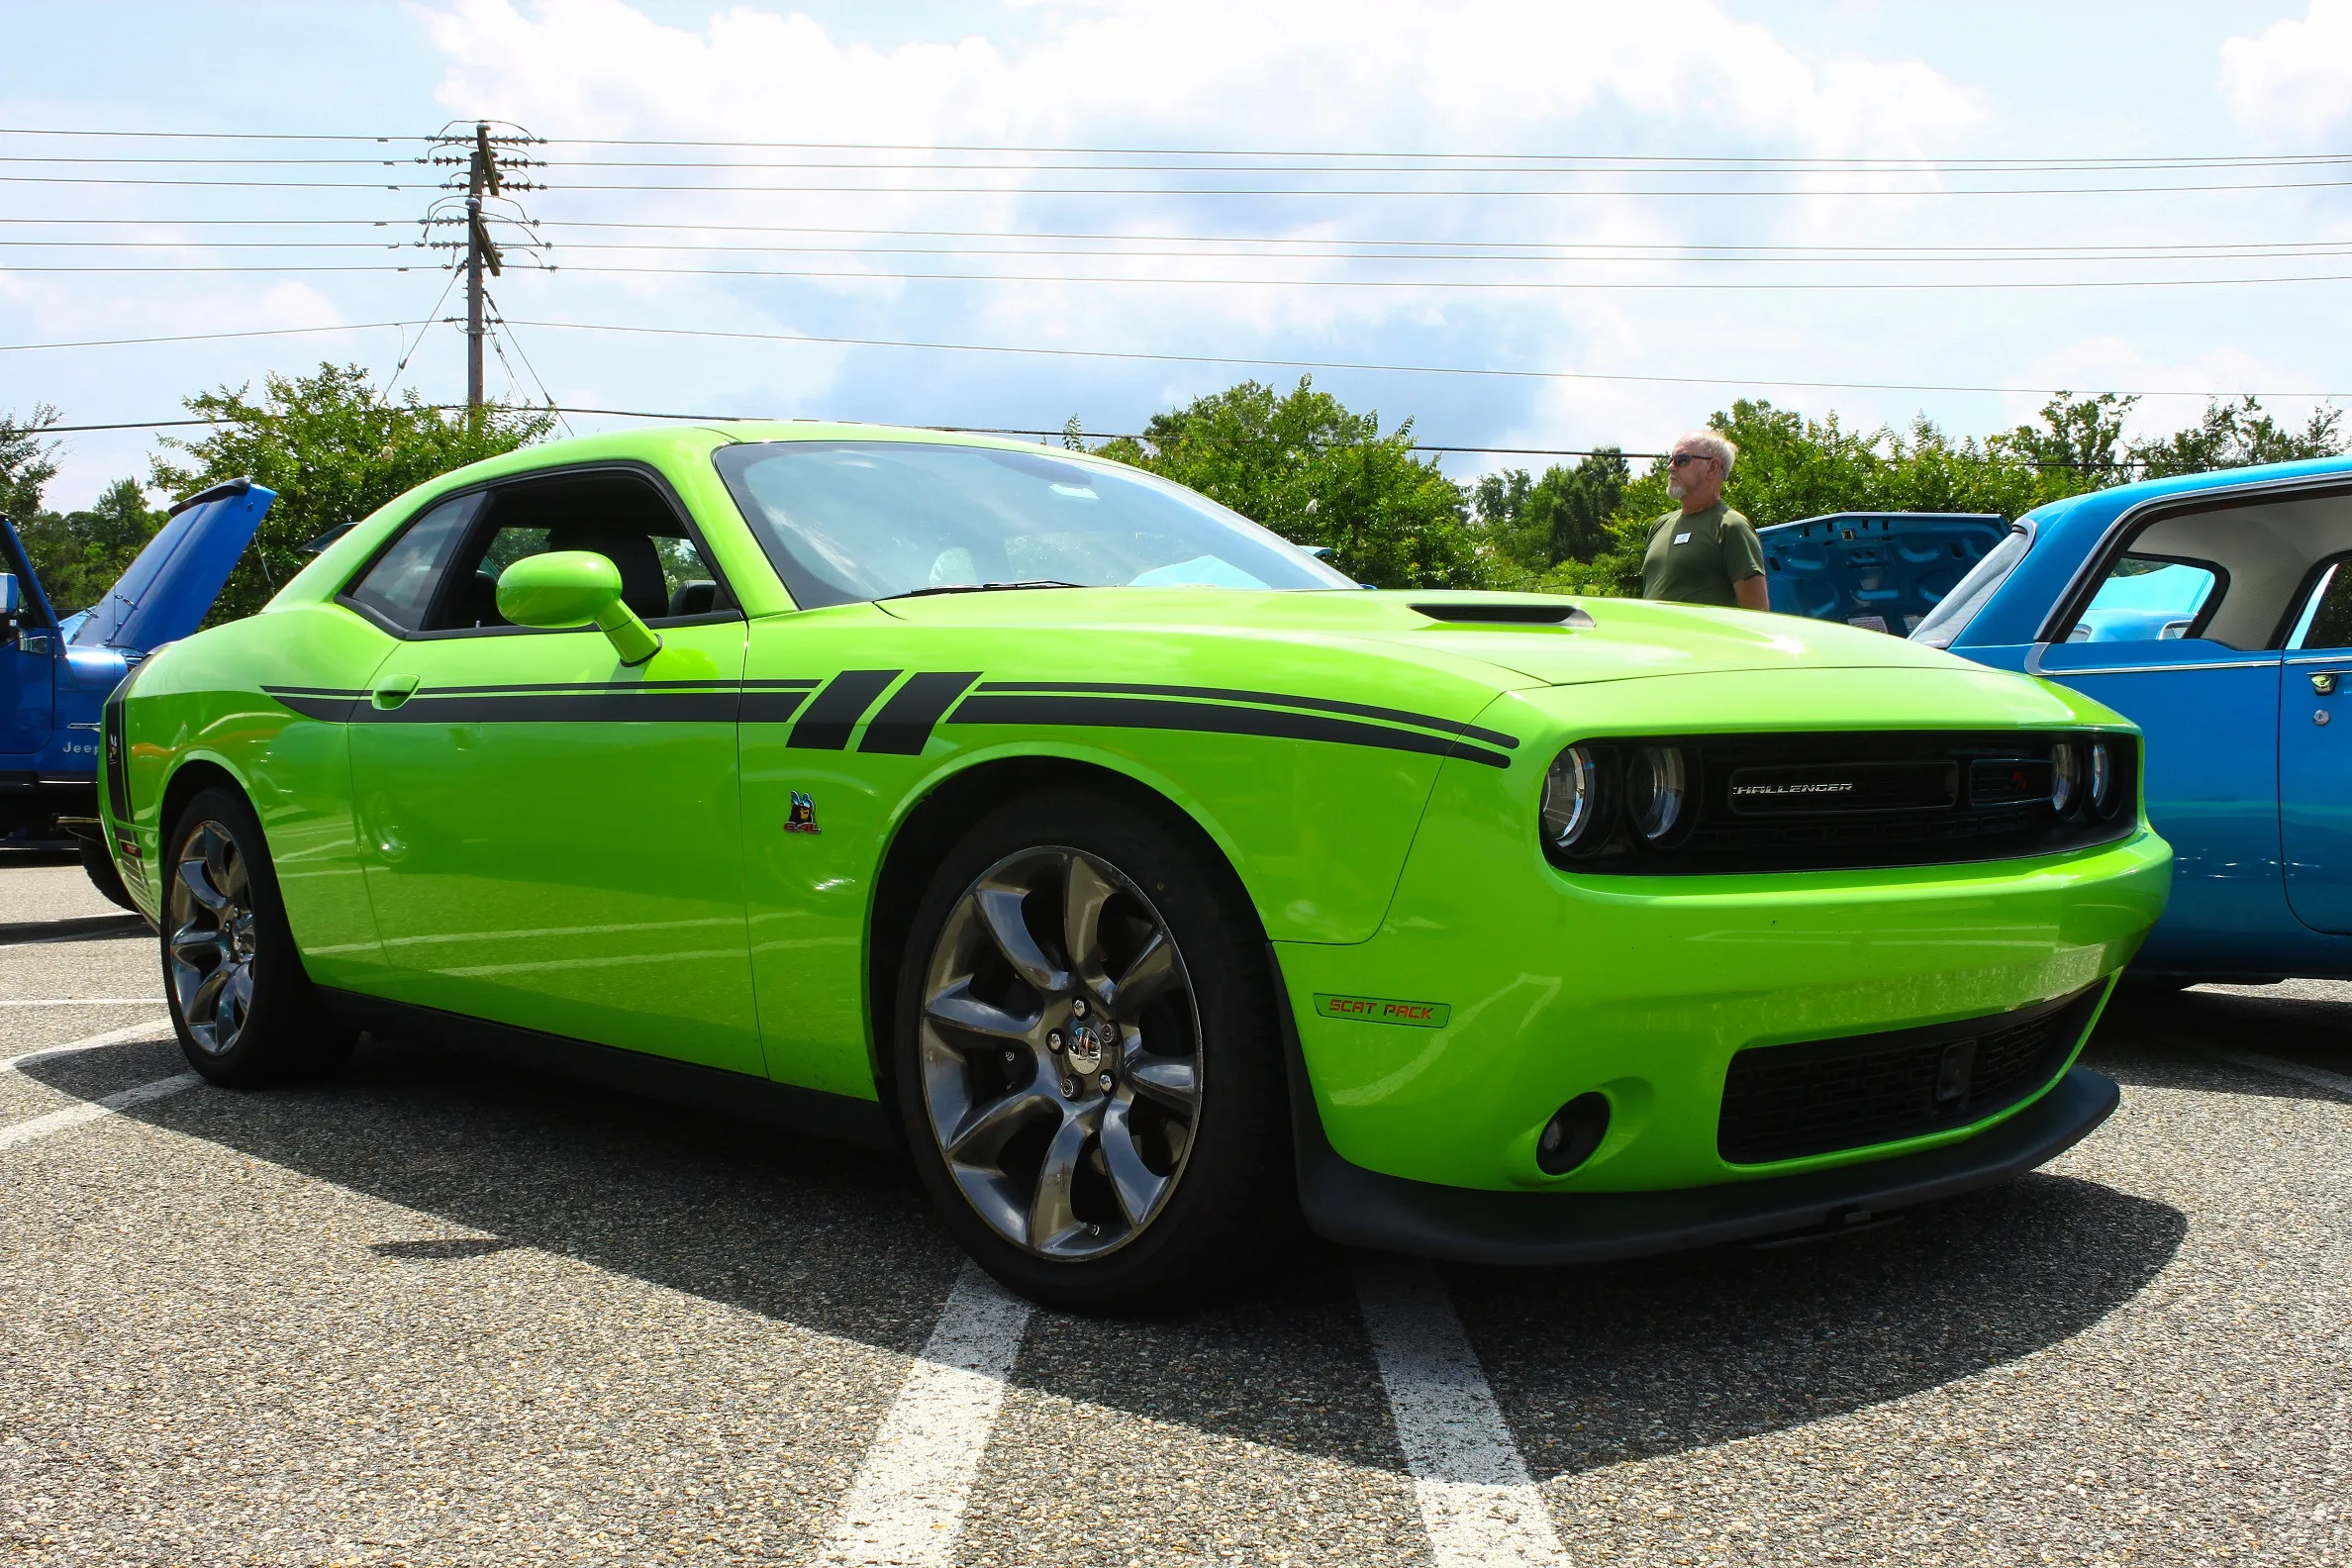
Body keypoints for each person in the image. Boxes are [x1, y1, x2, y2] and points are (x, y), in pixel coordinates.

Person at [1640, 430, 1768, 610]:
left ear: (1713, 467)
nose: (1670, 467)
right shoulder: (1660, 525)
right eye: (1671, 460)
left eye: (1681, 460)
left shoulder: (1731, 525)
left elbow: (1757, 612)